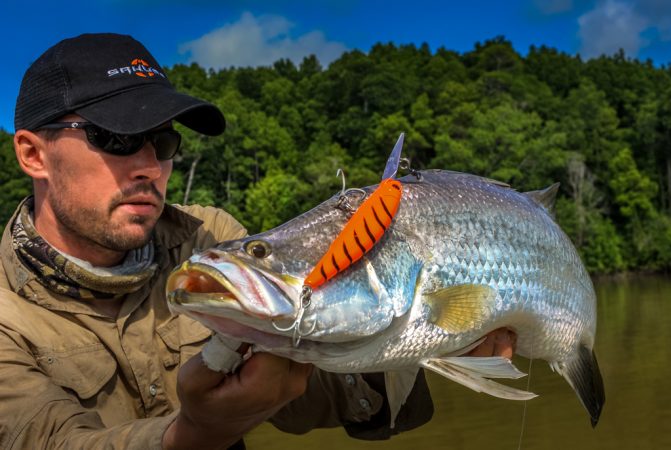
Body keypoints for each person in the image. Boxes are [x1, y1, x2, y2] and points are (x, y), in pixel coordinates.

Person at [0, 33, 517, 449]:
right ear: (32, 154)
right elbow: (48, 438)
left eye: (163, 142)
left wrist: (416, 341)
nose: (149, 167)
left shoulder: (211, 239)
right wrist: (198, 434)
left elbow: (311, 394)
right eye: (115, 139)